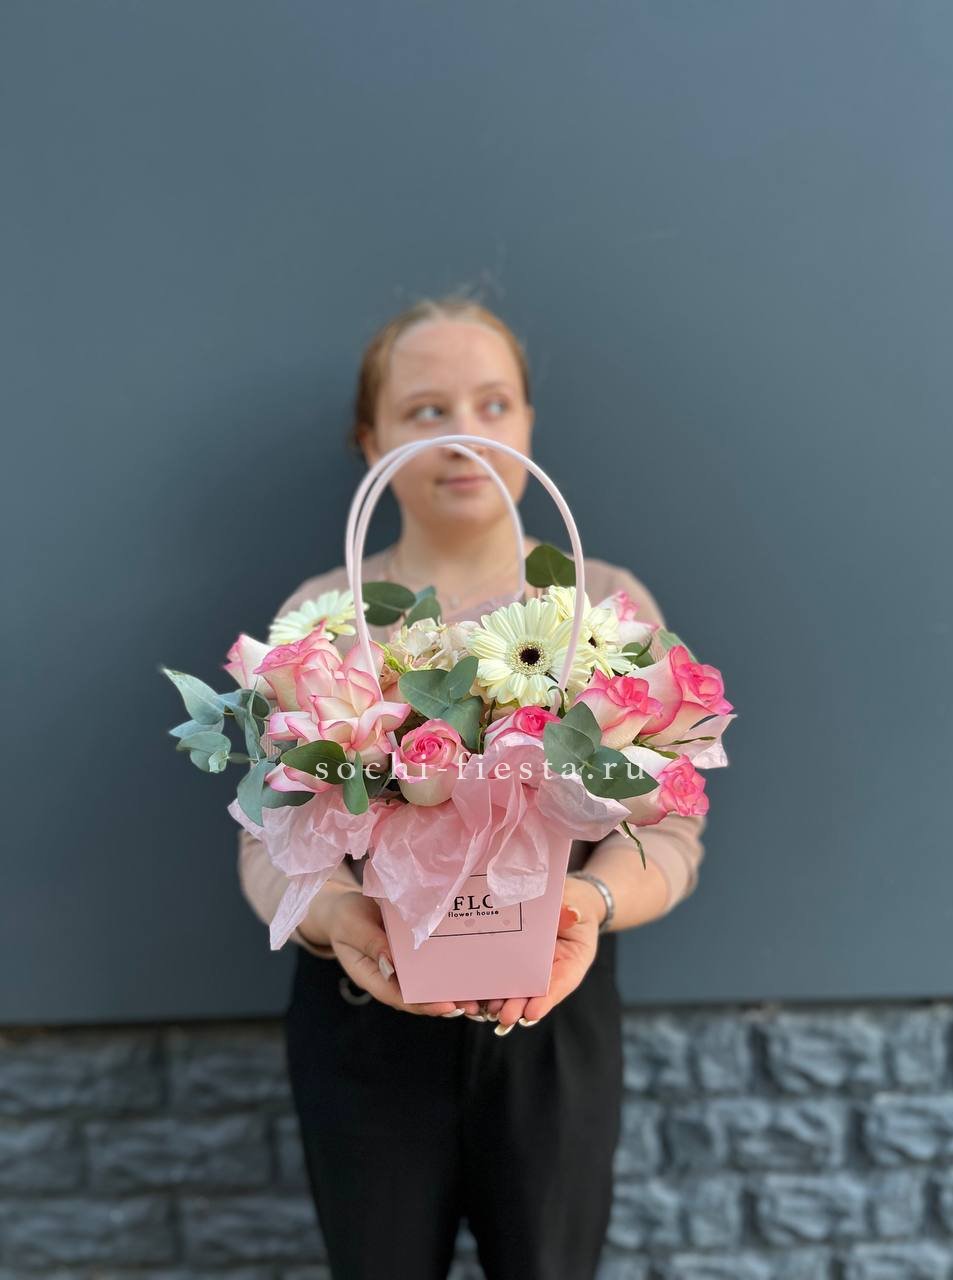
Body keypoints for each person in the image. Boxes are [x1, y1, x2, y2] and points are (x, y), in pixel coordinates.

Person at [237, 295, 706, 1280]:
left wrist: (588, 901)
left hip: (552, 1010)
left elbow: (670, 830)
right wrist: (337, 916)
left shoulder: (604, 606)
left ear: (527, 422)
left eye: (493, 404)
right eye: (425, 410)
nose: (463, 435)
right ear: (372, 440)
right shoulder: (321, 618)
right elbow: (265, 844)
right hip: (363, 1015)